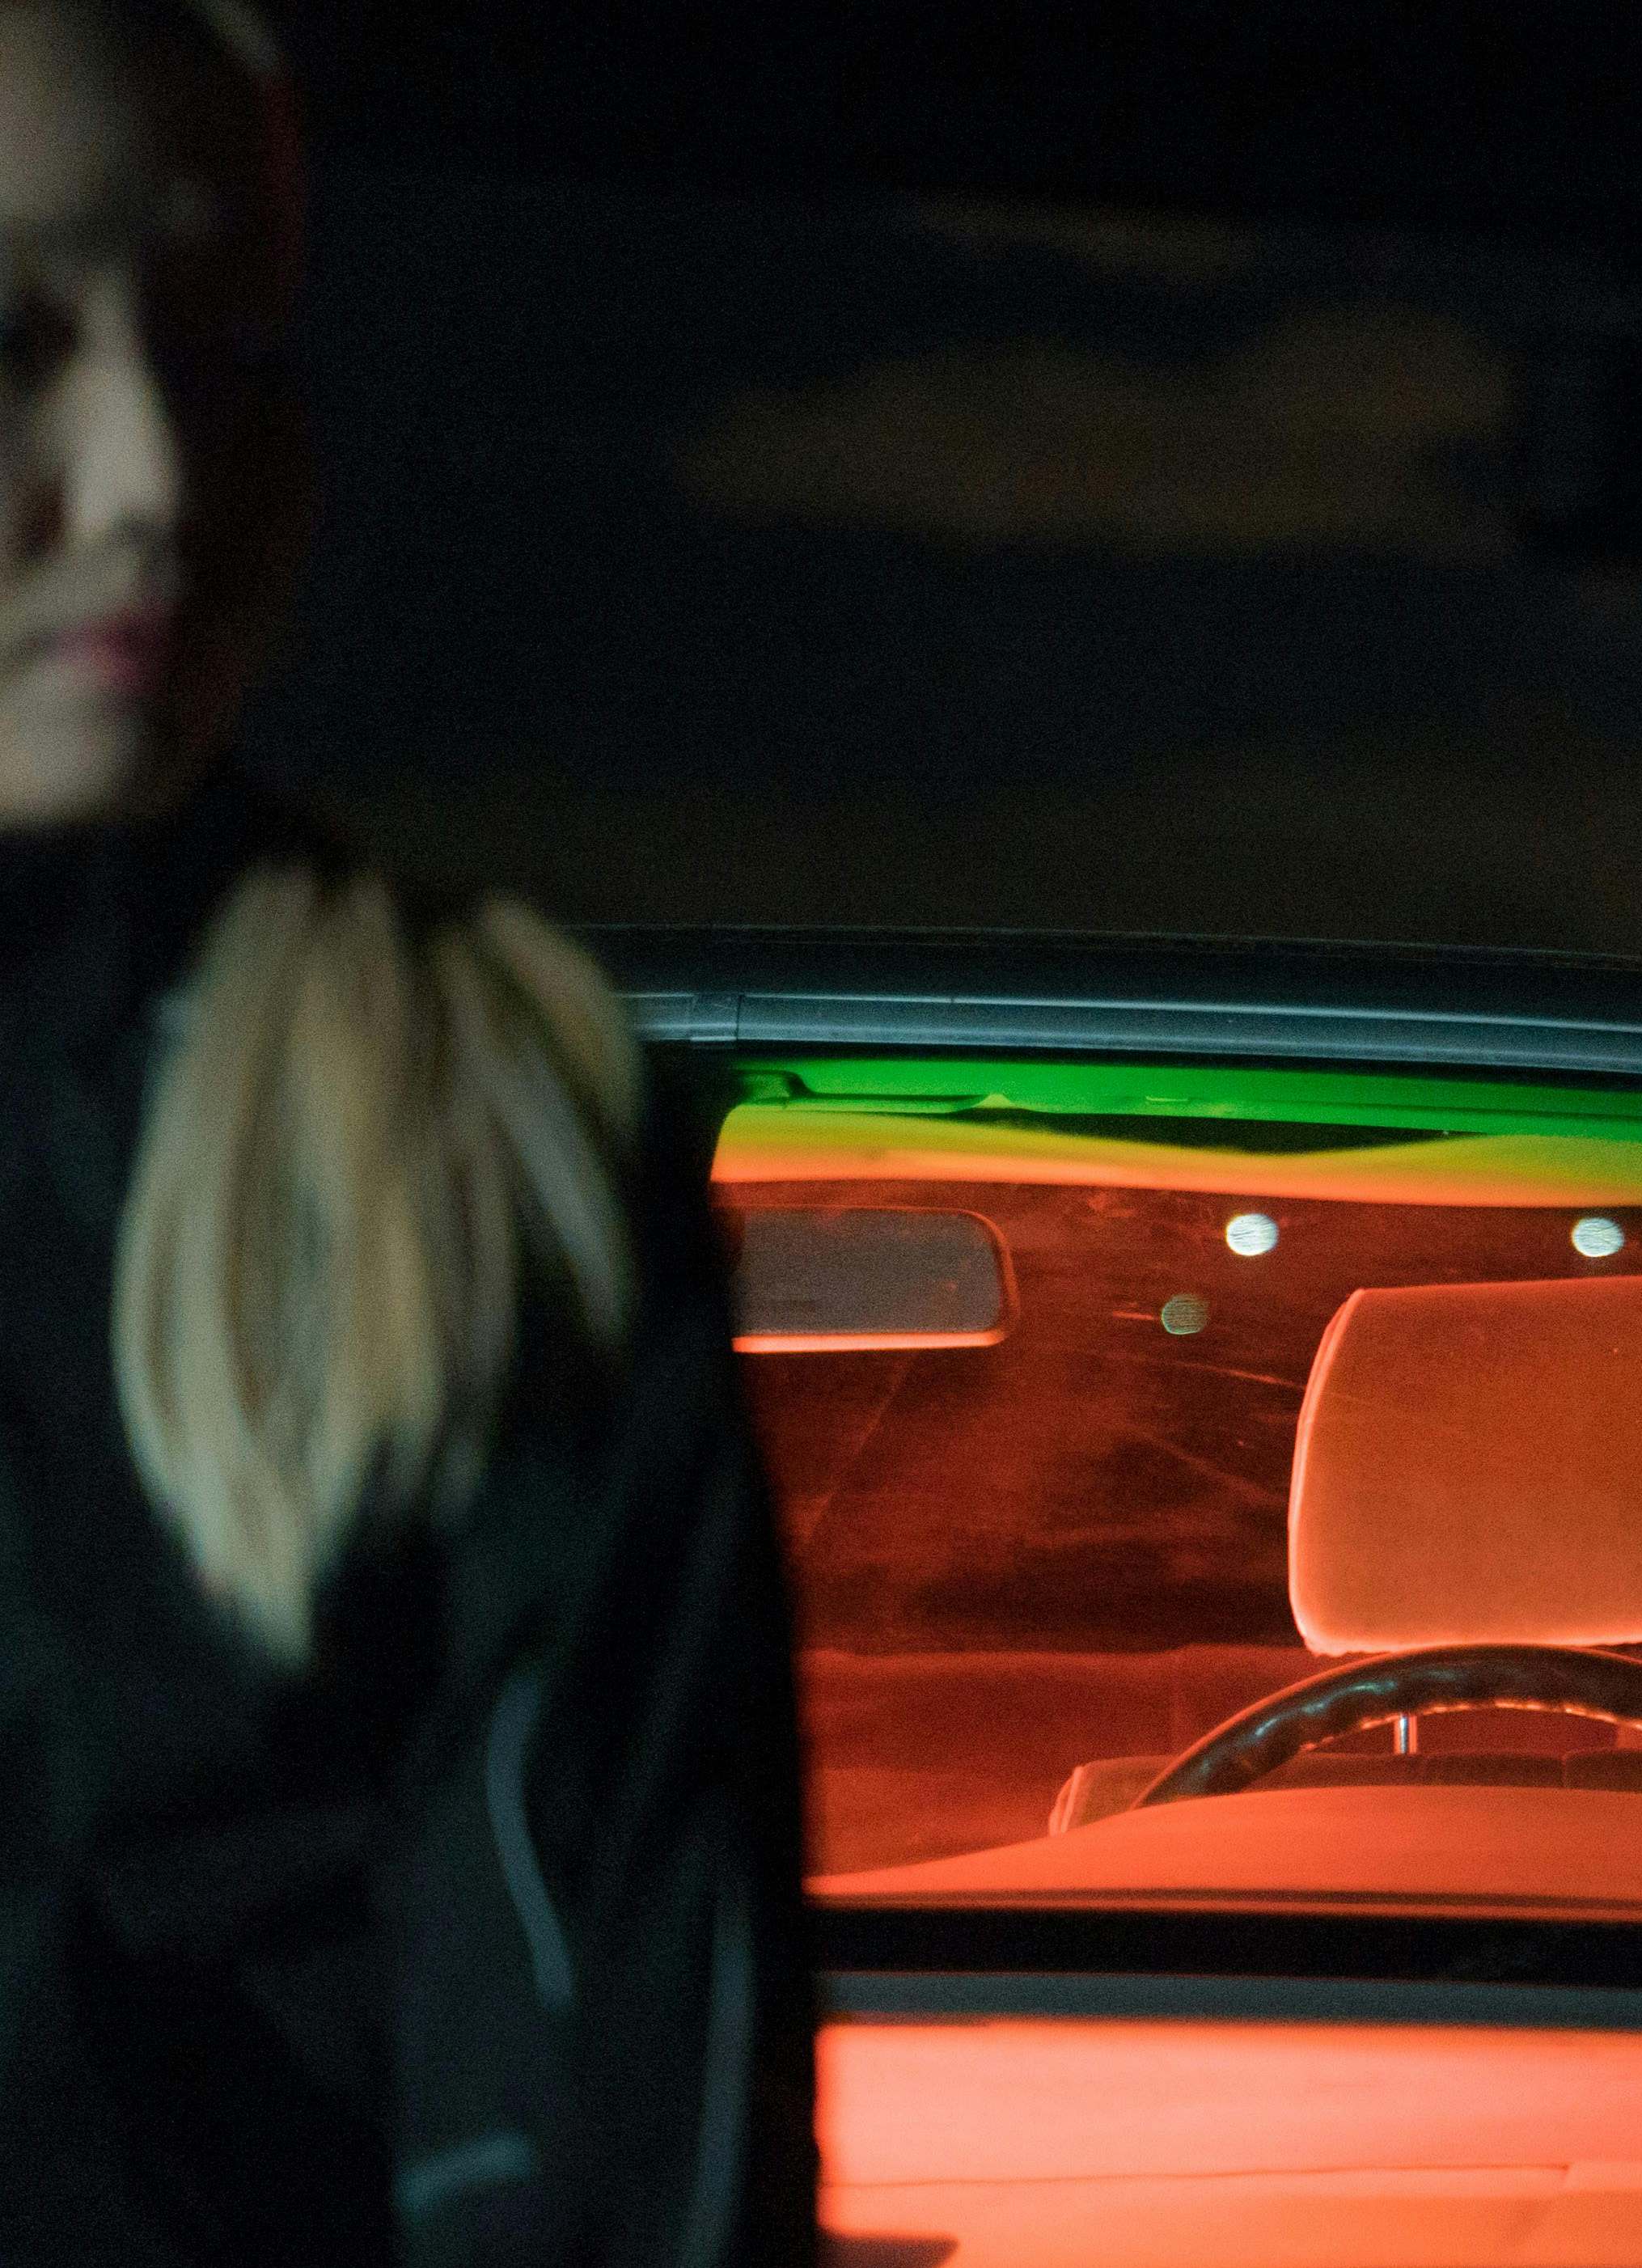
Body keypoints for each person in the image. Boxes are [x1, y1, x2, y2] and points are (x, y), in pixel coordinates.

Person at [0, 3, 815, 2261]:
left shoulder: (445, 1137)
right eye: (14, 339)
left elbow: (611, 2137)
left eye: (219, 350)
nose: (146, 474)